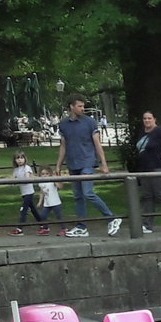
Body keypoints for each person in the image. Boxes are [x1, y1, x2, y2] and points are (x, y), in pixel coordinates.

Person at [53, 97, 121, 237]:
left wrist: (104, 163)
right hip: (73, 163)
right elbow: (63, 146)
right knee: (78, 196)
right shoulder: (64, 124)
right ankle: (81, 226)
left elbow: (97, 144)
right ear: (71, 107)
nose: (82, 108)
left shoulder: (89, 122)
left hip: (87, 162)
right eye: (79, 106)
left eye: (83, 106)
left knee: (88, 192)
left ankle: (111, 218)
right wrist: (58, 165)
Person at [8, 152, 45, 236]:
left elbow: (27, 178)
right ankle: (43, 224)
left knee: (24, 210)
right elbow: (12, 179)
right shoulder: (16, 170)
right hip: (23, 193)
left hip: (29, 192)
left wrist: (19, 180)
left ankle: (19, 229)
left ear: (25, 159)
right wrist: (10, 182)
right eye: (17, 158)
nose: (20, 160)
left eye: (21, 158)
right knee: (33, 210)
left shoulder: (26, 168)